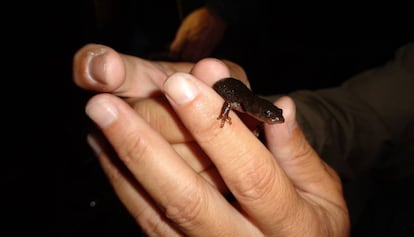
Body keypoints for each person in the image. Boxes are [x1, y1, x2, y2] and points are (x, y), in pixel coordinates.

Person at [73, 42, 414, 236]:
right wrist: (271, 140)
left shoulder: (255, 109)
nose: (273, 119)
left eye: (271, 119)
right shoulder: (246, 105)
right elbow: (362, 113)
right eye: (269, 118)